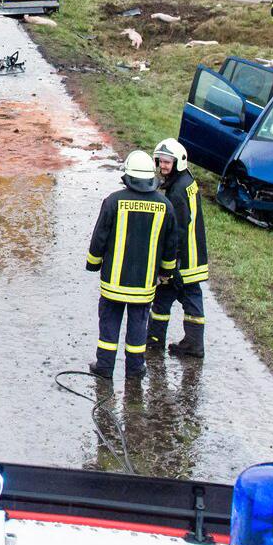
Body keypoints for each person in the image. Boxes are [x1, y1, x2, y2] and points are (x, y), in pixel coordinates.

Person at [86, 151, 179, 378]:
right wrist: (166, 272)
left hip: (113, 283)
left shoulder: (113, 201)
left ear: (127, 175)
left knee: (109, 323)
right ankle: (135, 370)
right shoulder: (165, 205)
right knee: (138, 326)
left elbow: (99, 237)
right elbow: (170, 245)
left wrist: (93, 263)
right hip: (144, 284)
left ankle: (105, 368)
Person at [147, 140, 208, 359]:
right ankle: (188, 343)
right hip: (193, 255)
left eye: (166, 162)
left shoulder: (177, 192)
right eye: (160, 161)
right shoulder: (186, 180)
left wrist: (171, 265)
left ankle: (156, 342)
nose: (162, 166)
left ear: (178, 163)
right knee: (184, 297)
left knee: (168, 296)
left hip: (184, 260)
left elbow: (177, 231)